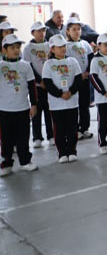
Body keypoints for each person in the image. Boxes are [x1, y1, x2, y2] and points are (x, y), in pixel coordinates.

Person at [0, 34, 38, 176]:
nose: (16, 50)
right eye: (12, 48)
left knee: (23, 137)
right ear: (4, 50)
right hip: (4, 110)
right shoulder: (1, 66)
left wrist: (33, 104)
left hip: (22, 108)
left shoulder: (25, 66)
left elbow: (32, 86)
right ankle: (7, 162)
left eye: (17, 47)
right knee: (6, 139)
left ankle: (25, 161)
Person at [42, 34, 81, 163]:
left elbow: (78, 79)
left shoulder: (73, 61)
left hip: (72, 102)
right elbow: (47, 83)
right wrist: (60, 94)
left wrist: (70, 92)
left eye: (64, 46)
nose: (63, 49)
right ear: (52, 49)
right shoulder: (48, 64)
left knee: (72, 128)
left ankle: (72, 151)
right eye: (59, 47)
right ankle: (62, 152)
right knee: (59, 129)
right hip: (56, 104)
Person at [24, 22, 52, 148]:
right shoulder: (28, 48)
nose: (42, 33)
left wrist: (47, 80)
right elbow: (28, 66)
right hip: (36, 85)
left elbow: (52, 63)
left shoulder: (49, 45)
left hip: (49, 84)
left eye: (43, 30)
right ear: (32, 33)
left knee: (49, 110)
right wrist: (40, 80)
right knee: (37, 110)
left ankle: (51, 135)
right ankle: (37, 137)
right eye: (38, 31)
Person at [65, 16, 93, 139]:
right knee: (74, 105)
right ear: (68, 31)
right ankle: (75, 129)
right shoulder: (66, 46)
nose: (77, 31)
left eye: (79, 29)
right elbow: (67, 63)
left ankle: (84, 127)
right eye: (74, 29)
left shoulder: (85, 44)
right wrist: (78, 75)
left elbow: (91, 59)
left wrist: (87, 72)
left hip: (85, 79)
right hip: (73, 81)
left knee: (84, 104)